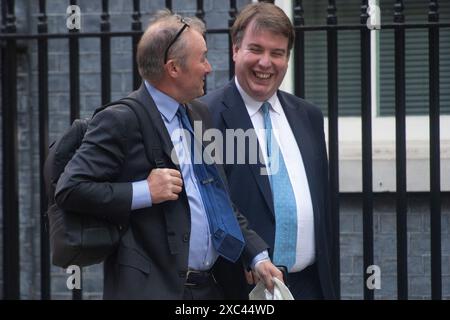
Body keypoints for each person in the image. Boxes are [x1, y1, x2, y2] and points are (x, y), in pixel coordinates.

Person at [55, 10, 282, 300]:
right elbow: (71, 189)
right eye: (202, 58)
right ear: (174, 68)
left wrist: (257, 256)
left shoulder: (198, 113)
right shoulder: (121, 120)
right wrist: (144, 191)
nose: (209, 67)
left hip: (209, 288)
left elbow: (218, 199)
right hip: (152, 290)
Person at [201, 2, 337, 299]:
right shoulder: (205, 116)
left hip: (310, 285)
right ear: (235, 50)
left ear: (287, 59)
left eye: (277, 53)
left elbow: (323, 205)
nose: (266, 63)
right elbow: (211, 203)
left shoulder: (308, 116)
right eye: (256, 49)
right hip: (242, 289)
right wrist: (248, 253)